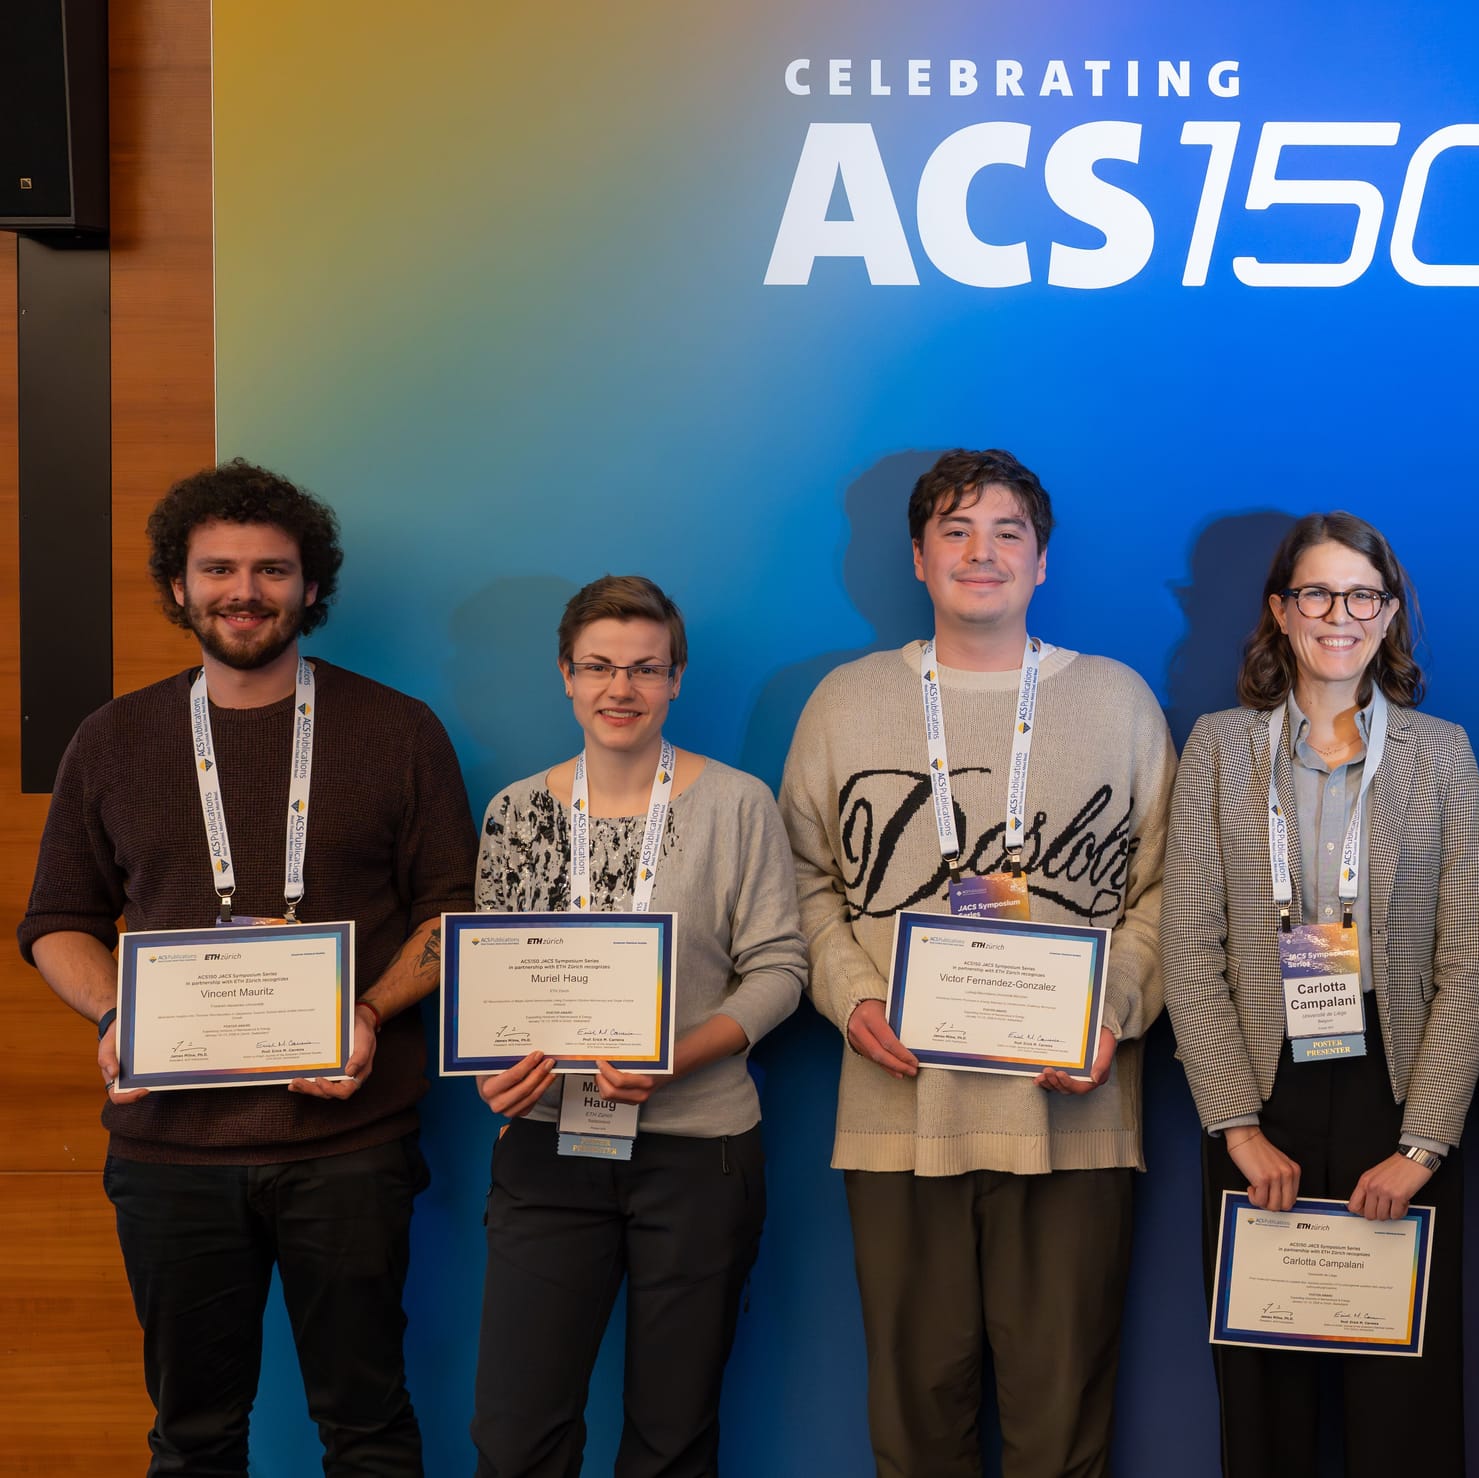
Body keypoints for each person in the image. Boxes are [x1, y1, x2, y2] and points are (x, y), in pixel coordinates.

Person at [20, 460, 476, 1474]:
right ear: (177, 585)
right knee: (192, 1437)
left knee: (367, 1427)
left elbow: (455, 911)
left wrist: (367, 1008)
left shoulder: (398, 731)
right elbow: (56, 921)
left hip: (349, 1143)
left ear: (313, 586)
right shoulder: (113, 738)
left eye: (273, 570)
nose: (244, 590)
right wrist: (113, 1016)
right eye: (217, 568)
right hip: (170, 1151)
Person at [781, 448, 1173, 1478]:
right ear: (916, 557)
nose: (981, 552)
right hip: (900, 1107)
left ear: (1042, 561)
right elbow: (800, 880)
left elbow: (1168, 893)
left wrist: (1116, 1011)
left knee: (1062, 1424)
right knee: (915, 1423)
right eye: (955, 530)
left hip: (1073, 1111)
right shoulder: (844, 700)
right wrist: (854, 997)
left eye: (1007, 532)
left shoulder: (1120, 702)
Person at [1160, 511, 1479, 1478]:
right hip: (1260, 1098)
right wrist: (1236, 1128)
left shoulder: (1440, 753)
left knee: (1406, 1410)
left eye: (1362, 595)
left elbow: (1471, 957)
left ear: (1389, 614)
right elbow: (1191, 946)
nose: (1338, 614)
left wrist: (1422, 1146)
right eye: (1316, 592)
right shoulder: (1220, 749)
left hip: (1401, 1097)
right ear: (1281, 609)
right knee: (1264, 1407)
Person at [466, 575, 808, 1476]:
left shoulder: (738, 804)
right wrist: (493, 1076)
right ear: (566, 677)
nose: (621, 688)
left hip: (699, 1152)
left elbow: (781, 968)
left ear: (676, 680)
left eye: (645, 669)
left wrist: (677, 1059)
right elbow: (494, 989)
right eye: (600, 667)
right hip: (546, 1150)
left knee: (671, 1435)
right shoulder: (515, 814)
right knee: (516, 1435)